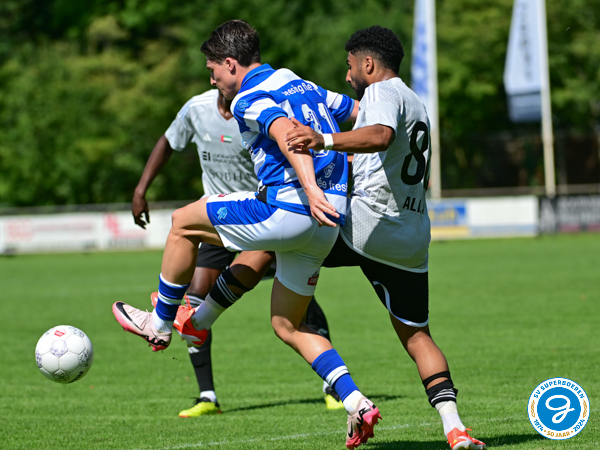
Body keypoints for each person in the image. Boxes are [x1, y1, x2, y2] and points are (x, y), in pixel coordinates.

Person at [185, 25, 487, 450]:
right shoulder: (416, 102)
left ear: (369, 64)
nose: (348, 76)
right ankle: (455, 428)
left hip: (367, 226)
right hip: (411, 236)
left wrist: (321, 138)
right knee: (418, 336)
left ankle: (198, 320)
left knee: (273, 241)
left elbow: (379, 136)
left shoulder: (381, 93)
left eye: (350, 67)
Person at [112, 19, 380, 449]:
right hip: (325, 225)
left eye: (212, 69)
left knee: (182, 222)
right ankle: (357, 403)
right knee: (287, 325)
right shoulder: (297, 81)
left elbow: (286, 134)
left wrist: (310, 189)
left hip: (292, 208)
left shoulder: (247, 96)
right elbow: (358, 112)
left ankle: (159, 323)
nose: (212, 79)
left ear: (231, 63)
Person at [130, 88, 344, 415]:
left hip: (262, 216)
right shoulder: (196, 108)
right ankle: (207, 396)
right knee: (193, 300)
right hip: (219, 218)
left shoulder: (259, 108)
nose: (218, 79)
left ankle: (332, 388)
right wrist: (140, 189)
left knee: (299, 303)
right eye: (212, 72)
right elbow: (168, 141)